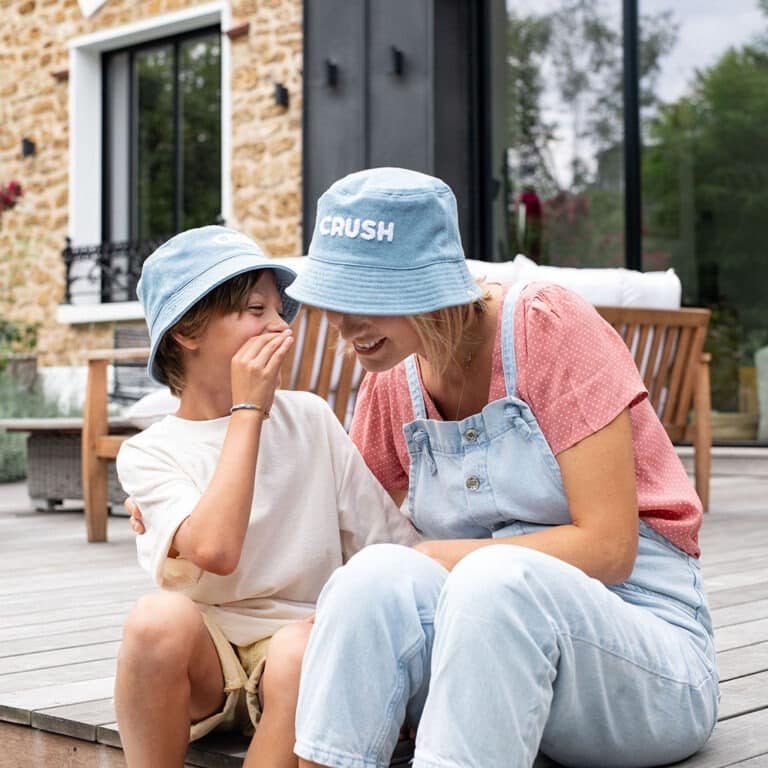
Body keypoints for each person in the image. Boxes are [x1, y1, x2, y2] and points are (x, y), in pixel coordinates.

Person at [277, 167, 720, 767]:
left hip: (644, 658)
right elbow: (340, 534)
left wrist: (441, 557)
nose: (342, 324)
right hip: (486, 654)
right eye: (332, 297)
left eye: (364, 298)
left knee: (492, 580)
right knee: (370, 578)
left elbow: (611, 547)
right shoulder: (392, 379)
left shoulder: (547, 328)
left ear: (429, 283)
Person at [114, 225, 418, 768]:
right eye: (257, 310)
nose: (281, 327)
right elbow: (216, 550)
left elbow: (386, 543)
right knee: (152, 621)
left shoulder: (309, 419)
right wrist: (247, 412)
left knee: (299, 655)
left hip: (301, 647)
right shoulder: (149, 453)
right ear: (188, 330)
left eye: (281, 310)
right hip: (209, 659)